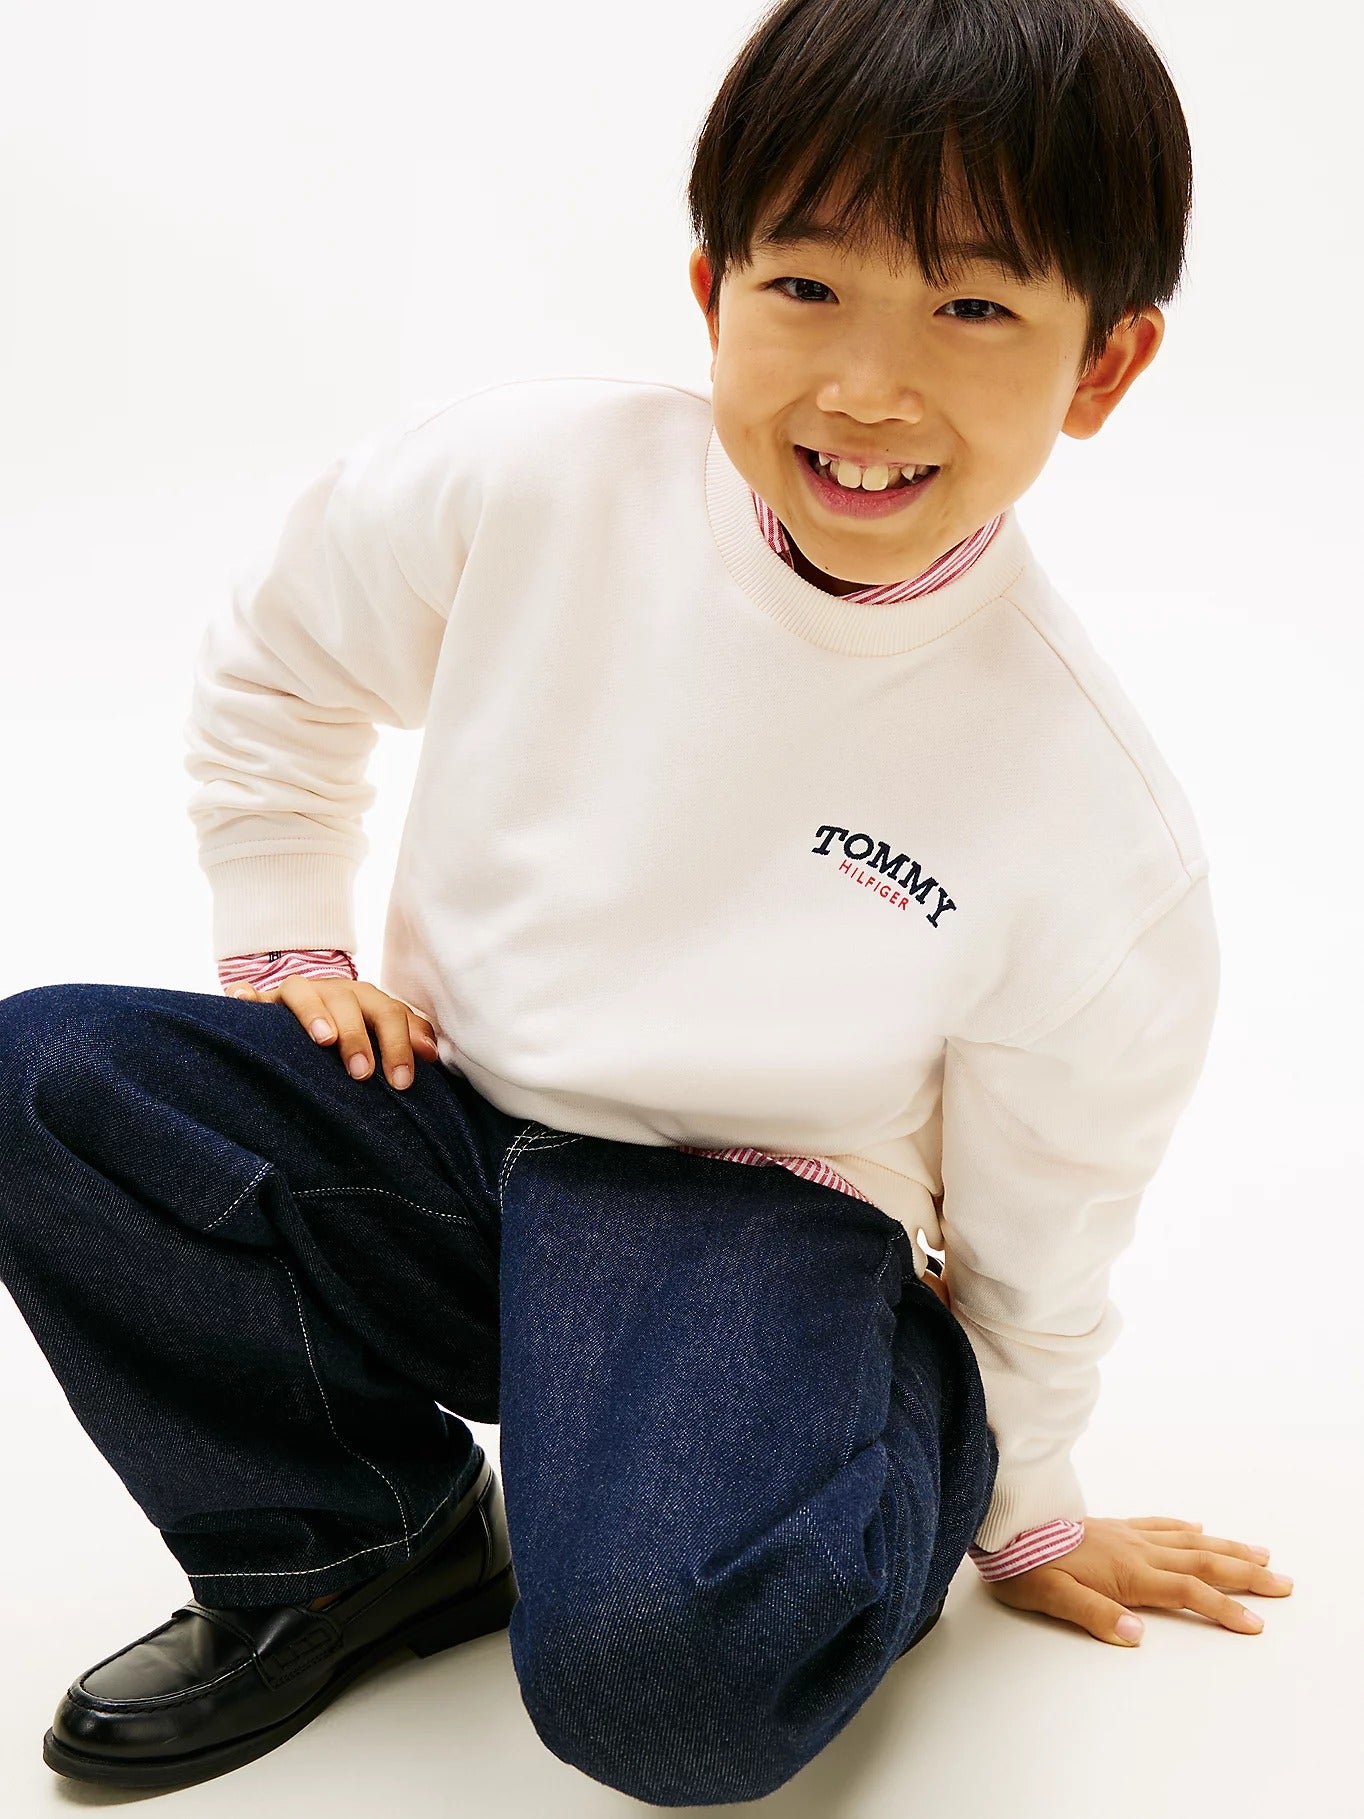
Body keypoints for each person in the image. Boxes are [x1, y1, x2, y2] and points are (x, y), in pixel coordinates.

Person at [0, 0, 1290, 1802]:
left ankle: (878, 1422)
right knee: (48, 1083)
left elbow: (1052, 1215)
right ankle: (351, 1542)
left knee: (667, 1696)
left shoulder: (1085, 815)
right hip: (448, 1128)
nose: (867, 389)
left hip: (744, 1219)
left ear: (1106, 366)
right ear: (711, 293)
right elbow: (286, 657)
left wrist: (1025, 1499)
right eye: (807, 288)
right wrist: (289, 932)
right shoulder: (526, 481)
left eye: (974, 309)